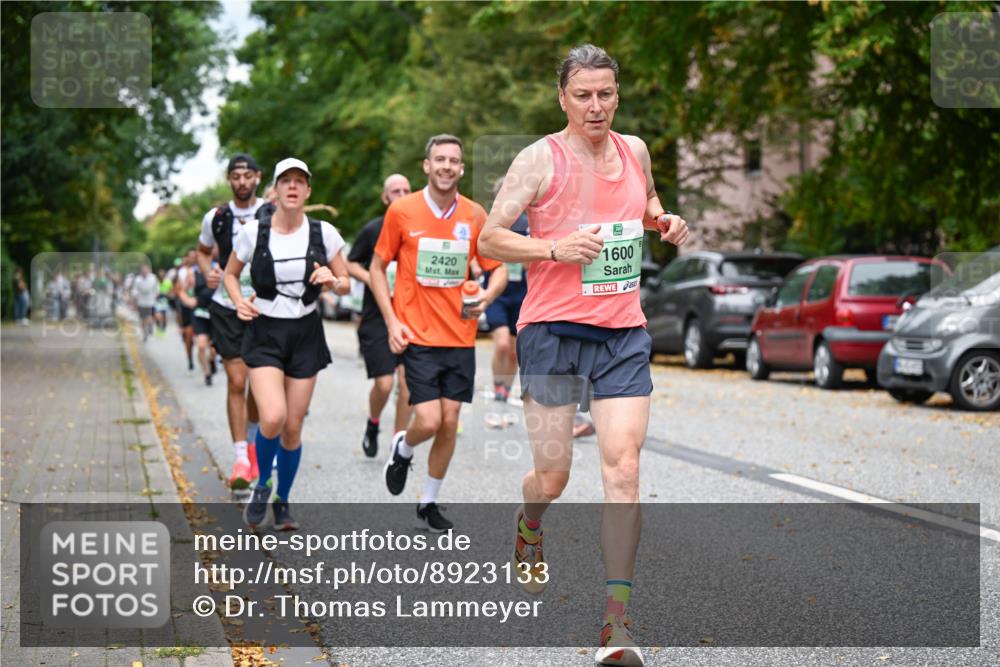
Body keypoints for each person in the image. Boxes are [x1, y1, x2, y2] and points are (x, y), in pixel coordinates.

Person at [477, 45, 690, 667]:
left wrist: (665, 223)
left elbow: (646, 206)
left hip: (623, 331)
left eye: (606, 93)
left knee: (623, 470)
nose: (595, 106)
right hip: (551, 330)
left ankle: (615, 625)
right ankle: (530, 521)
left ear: (617, 94)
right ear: (562, 98)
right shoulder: (538, 159)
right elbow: (490, 238)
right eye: (583, 95)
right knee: (555, 476)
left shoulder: (636, 151)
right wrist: (552, 248)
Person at [370, 134, 507, 532]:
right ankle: (403, 446)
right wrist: (392, 321)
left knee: (449, 423)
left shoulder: (474, 215)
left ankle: (428, 501)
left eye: (454, 161)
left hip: (460, 337)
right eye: (439, 159)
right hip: (417, 336)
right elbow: (378, 268)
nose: (447, 166)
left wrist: (485, 295)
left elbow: (496, 268)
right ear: (426, 166)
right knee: (428, 421)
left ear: (461, 169)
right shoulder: (402, 211)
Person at [225, 157, 349, 531]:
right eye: (286, 181)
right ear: (275, 190)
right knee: (273, 417)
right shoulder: (253, 232)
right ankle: (262, 484)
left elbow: (345, 282)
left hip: (305, 332)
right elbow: (231, 274)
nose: (293, 187)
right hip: (264, 331)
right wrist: (238, 301)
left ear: (308, 190)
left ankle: (283, 500)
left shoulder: (323, 233)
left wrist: (332, 279)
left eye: (300, 181)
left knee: (293, 427)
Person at [197, 154, 265, 490]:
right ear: (229, 180)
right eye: (236, 176)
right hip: (226, 305)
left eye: (247, 175)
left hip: (264, 306)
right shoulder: (217, 217)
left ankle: (252, 443)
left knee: (259, 382)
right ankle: (241, 456)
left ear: (258, 177)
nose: (242, 182)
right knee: (237, 381)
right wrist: (207, 271)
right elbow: (201, 250)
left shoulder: (271, 212)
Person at [346, 173, 414, 457]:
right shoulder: (373, 229)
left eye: (405, 190)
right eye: (394, 191)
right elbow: (350, 264)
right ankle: (373, 423)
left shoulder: (419, 229)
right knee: (385, 383)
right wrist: (373, 279)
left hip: (412, 315)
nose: (400, 195)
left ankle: (398, 444)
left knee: (408, 383)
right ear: (385, 198)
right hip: (376, 318)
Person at [484, 210, 529, 402]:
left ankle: (506, 389)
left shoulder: (528, 224)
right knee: (502, 344)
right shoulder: (489, 223)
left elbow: (533, 259)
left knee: (513, 352)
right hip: (496, 294)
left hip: (520, 294)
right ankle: (497, 384)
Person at [174, 250, 197, 370]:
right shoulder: (181, 272)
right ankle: (190, 358)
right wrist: (187, 284)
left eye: (195, 256)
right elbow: (178, 290)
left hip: (201, 303)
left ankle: (211, 360)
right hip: (186, 305)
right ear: (186, 258)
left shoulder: (202, 268)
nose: (193, 258)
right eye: (190, 256)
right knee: (188, 334)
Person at [131, 264, 159, 341]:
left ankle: (150, 325)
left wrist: (156, 294)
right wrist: (136, 295)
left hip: (150, 301)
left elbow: (156, 287)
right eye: (143, 270)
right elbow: (134, 289)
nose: (144, 272)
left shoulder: (153, 278)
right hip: (141, 302)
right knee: (142, 319)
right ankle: (145, 333)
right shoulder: (138, 279)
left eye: (146, 270)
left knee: (149, 316)